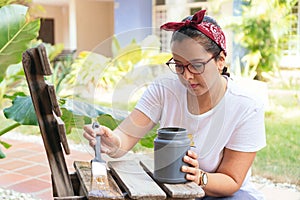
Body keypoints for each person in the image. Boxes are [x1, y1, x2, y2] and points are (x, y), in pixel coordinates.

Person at [83, 9, 266, 199]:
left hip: (222, 194)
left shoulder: (245, 105)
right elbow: (126, 135)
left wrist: (199, 177)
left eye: (196, 65)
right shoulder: (164, 89)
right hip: (174, 188)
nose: (187, 76)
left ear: (220, 61)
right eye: (179, 65)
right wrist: (113, 142)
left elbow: (232, 180)